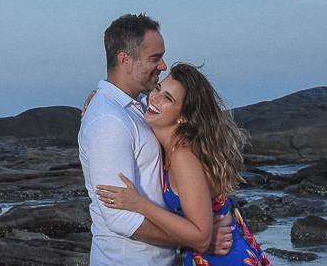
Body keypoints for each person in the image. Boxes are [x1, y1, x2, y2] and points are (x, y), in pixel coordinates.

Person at [78, 15, 232, 266]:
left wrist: (196, 236)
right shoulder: (109, 121)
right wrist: (196, 239)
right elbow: (120, 218)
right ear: (125, 60)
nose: (162, 65)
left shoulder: (139, 107)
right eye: (154, 58)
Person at [95, 62, 270, 266]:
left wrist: (139, 204)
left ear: (184, 116)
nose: (155, 98)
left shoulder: (183, 156)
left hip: (223, 258)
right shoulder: (171, 144)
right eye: (158, 88)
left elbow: (201, 237)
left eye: (168, 98)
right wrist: (99, 99)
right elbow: (129, 101)